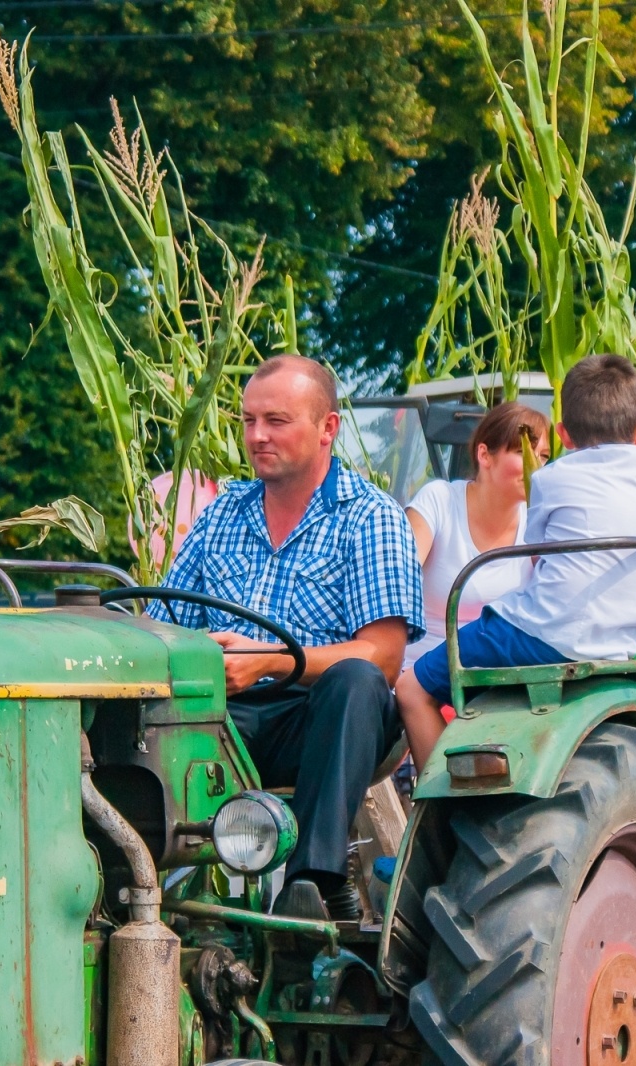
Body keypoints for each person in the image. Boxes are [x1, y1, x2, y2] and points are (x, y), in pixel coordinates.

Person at [147, 355, 424, 921]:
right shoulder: (223, 513)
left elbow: (384, 656)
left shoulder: (370, 516)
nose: (257, 436)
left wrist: (271, 660)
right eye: (249, 420)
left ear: (327, 428)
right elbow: (161, 621)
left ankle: (314, 883)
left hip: (317, 718)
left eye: (276, 421)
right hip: (222, 713)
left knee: (357, 680)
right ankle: (125, 882)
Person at [396, 355, 636, 768]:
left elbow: (538, 549)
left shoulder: (549, 478)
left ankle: (438, 797)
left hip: (538, 636)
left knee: (412, 689)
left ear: (563, 434)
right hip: (621, 646)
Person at [403, 402, 550, 671]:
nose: (536, 467)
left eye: (543, 457)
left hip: (495, 674)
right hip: (420, 669)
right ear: (484, 455)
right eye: (523, 452)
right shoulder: (440, 500)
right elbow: (398, 579)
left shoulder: (537, 520)